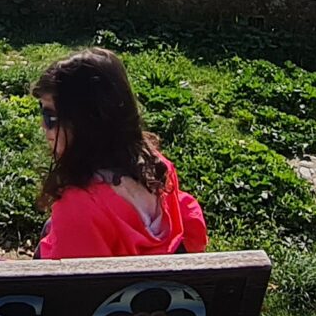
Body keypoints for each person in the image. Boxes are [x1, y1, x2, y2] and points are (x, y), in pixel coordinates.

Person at [33, 48, 208, 259]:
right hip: (159, 286)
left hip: (100, 291)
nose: (43, 126)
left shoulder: (79, 208)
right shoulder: (158, 169)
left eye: (50, 116)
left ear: (85, 123)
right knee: (49, 226)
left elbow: (70, 288)